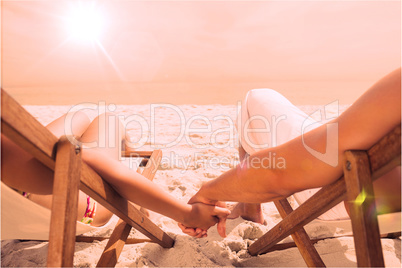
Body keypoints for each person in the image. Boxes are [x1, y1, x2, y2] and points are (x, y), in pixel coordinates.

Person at [180, 67, 401, 237]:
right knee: (326, 131)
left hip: (347, 197)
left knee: (256, 98)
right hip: (388, 206)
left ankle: (250, 208)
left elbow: (276, 172)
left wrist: (208, 192)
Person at [1, 109, 230, 237]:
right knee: (105, 120)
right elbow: (85, 162)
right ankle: (123, 147)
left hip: (17, 206)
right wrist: (186, 213)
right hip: (86, 209)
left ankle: (120, 147)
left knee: (78, 118)